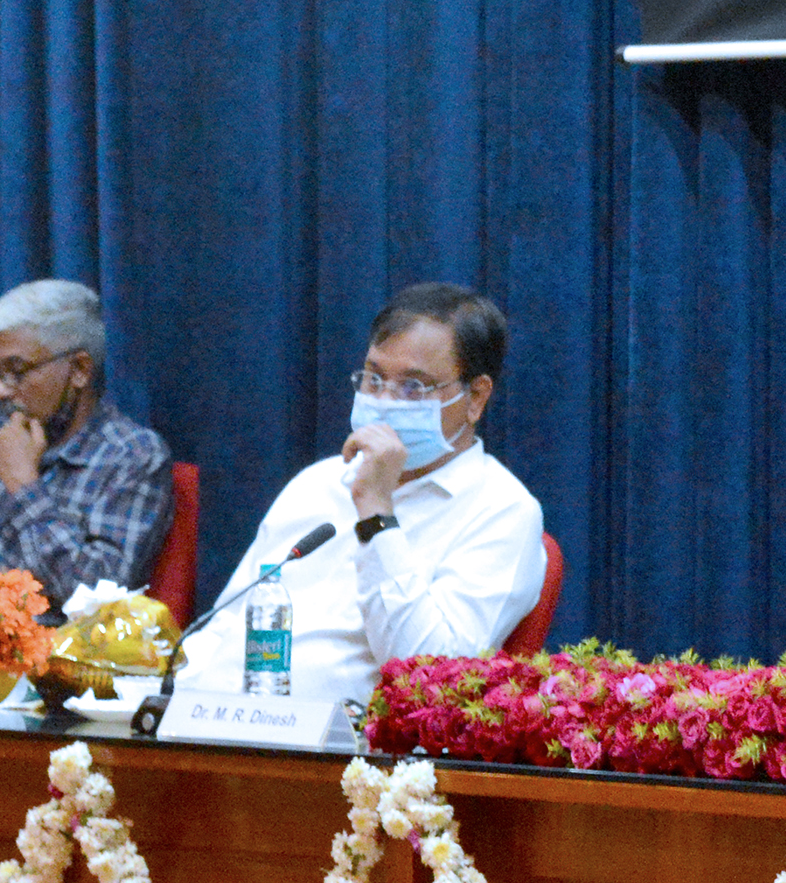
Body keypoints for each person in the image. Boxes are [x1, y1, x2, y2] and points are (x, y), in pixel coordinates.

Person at [205, 281, 546, 728]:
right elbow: (224, 627)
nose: (383, 402)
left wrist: (377, 513)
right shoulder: (317, 482)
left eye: (413, 387)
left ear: (476, 398)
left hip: (341, 766)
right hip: (209, 733)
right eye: (374, 378)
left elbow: (430, 680)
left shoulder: (503, 511)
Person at [0, 280, 174, 603]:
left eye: (17, 370)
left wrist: (24, 487)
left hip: (44, 649)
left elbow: (96, 597)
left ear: (79, 370)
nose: (0, 391)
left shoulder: (131, 456)